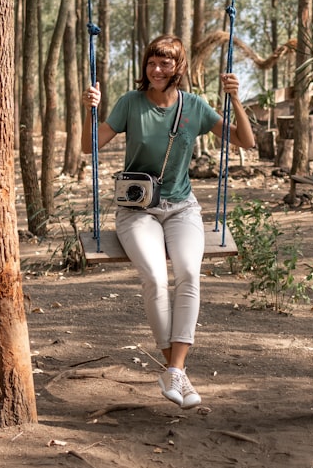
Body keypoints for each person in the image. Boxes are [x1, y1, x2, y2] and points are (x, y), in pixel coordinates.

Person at [81, 34, 255, 409]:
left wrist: (235, 98)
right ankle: (176, 372)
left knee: (189, 275)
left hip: (182, 209)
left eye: (165, 63)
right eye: (151, 62)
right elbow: (88, 146)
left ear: (178, 68)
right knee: (156, 278)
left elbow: (245, 141)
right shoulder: (131, 103)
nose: (156, 70)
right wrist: (90, 109)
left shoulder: (194, 107)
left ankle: (175, 371)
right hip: (136, 211)